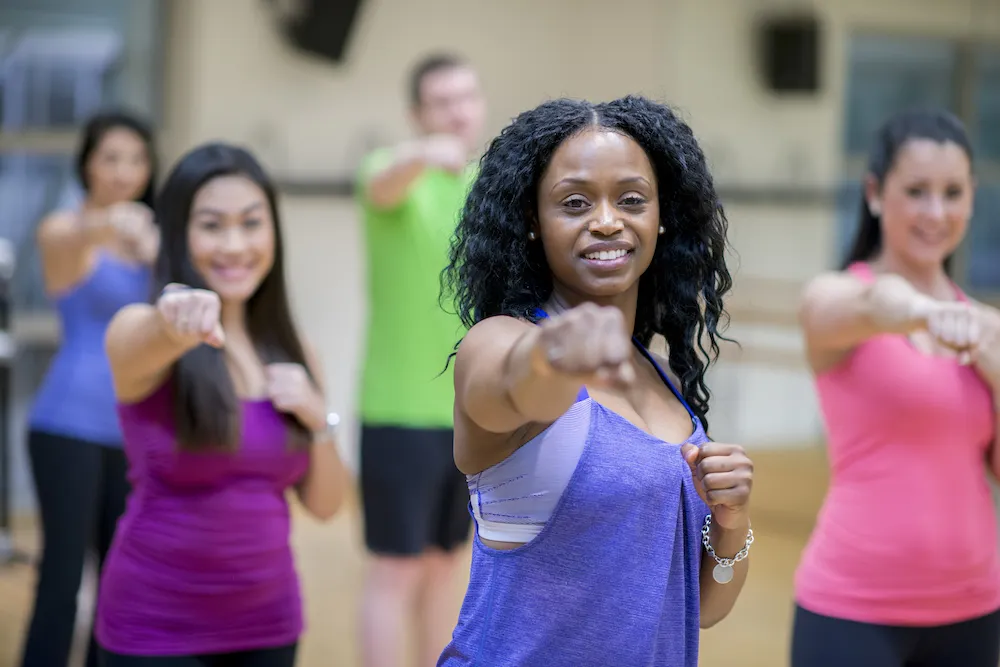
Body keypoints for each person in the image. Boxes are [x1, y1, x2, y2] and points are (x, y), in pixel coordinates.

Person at [436, 95, 755, 666]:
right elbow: (509, 388)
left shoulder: (662, 380)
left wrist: (731, 523)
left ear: (661, 217)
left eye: (632, 200)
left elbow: (701, 607)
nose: (607, 221)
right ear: (534, 222)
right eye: (575, 203)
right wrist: (553, 354)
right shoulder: (503, 341)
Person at [95, 142, 346, 666]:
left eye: (251, 223)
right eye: (211, 226)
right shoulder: (141, 331)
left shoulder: (298, 352)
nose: (235, 244)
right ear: (180, 234)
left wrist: (318, 418)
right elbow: (146, 336)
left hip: (270, 626)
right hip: (154, 629)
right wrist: (174, 319)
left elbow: (325, 506)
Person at [792, 109, 1000, 667]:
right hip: (851, 609)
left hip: (975, 608)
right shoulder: (836, 297)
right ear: (876, 194)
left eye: (952, 192)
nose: (936, 212)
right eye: (916, 191)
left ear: (972, 198)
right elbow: (876, 303)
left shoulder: (987, 329)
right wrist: (924, 313)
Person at [355, 53, 486, 667]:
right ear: (417, 114)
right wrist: (420, 154)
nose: (456, 112)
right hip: (398, 410)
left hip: (469, 416)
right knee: (397, 569)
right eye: (441, 101)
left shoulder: (487, 189)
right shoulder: (387, 173)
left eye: (466, 97)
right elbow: (384, 183)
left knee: (443, 566)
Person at [20, 110, 158, 667]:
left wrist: (154, 245)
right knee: (62, 575)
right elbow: (58, 235)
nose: (125, 171)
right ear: (86, 165)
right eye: (111, 158)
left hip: (135, 429)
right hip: (67, 425)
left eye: (137, 159)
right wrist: (111, 224)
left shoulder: (156, 237)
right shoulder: (67, 229)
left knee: (121, 579)